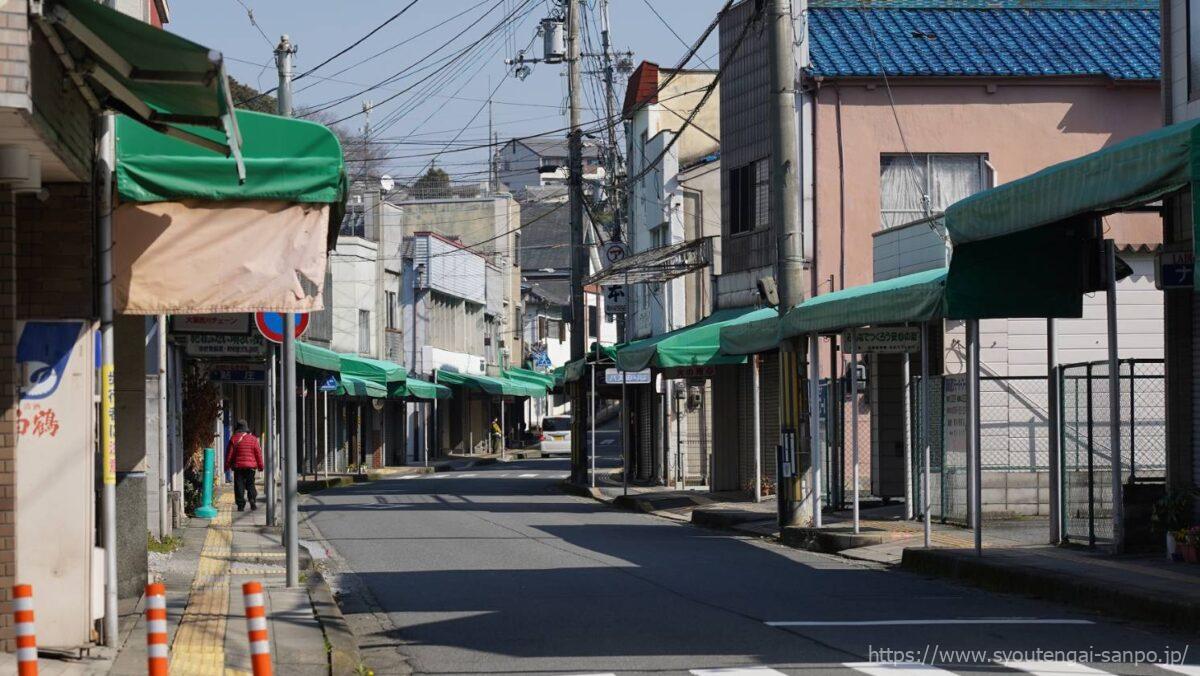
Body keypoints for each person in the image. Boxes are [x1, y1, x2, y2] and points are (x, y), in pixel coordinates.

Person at [225, 419, 264, 512]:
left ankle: (240, 505)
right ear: (246, 428)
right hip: (251, 467)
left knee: (239, 485)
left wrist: (227, 466)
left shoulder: (234, 438)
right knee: (250, 484)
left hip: (238, 466)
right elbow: (258, 453)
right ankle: (252, 499)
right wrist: (261, 466)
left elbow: (229, 454)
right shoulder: (253, 439)